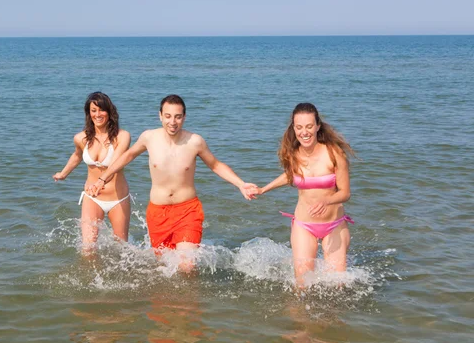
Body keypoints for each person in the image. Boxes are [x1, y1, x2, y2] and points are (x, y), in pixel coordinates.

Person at [89, 94, 256, 270]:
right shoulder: (149, 137)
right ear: (160, 115)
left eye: (177, 116)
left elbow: (215, 165)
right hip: (157, 212)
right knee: (163, 267)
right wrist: (102, 179)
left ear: (184, 117)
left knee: (187, 265)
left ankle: (191, 297)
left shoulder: (195, 141)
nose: (172, 122)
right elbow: (128, 156)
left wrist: (240, 184)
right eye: (168, 116)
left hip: (187, 210)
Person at [256, 103, 355, 287]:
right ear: (294, 128)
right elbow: (290, 176)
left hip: (333, 225)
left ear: (318, 126)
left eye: (309, 126)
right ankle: (300, 316)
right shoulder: (293, 154)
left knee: (337, 286)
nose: (304, 132)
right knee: (302, 285)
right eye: (299, 127)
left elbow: (345, 193)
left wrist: (328, 200)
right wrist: (263, 189)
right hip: (304, 225)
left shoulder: (334, 154)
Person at [53, 92, 131, 253]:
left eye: (101, 110)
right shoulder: (81, 138)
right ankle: (91, 278)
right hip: (92, 197)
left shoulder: (122, 136)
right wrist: (63, 173)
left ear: (109, 112)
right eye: (93, 110)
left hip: (118, 198)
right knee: (87, 250)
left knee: (121, 250)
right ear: (88, 113)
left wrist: (101, 181)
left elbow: (116, 163)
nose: (97, 114)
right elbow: (77, 155)